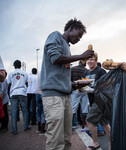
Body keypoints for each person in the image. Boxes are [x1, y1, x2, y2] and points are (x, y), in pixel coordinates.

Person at [40, 18, 94, 150]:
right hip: (53, 96)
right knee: (55, 138)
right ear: (71, 29)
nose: (79, 39)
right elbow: (55, 58)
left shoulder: (67, 47)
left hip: (66, 96)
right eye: (79, 35)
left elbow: (61, 74)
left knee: (66, 137)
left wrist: (75, 85)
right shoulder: (56, 36)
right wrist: (81, 56)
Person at [84, 53, 111, 150]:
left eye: (91, 59)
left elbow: (106, 86)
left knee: (89, 120)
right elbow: (84, 86)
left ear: (96, 60)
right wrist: (80, 88)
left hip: (100, 101)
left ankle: (95, 143)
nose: (89, 61)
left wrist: (92, 90)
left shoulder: (101, 71)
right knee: (104, 124)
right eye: (88, 59)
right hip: (92, 100)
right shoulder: (86, 73)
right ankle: (112, 143)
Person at [7, 60, 30, 135]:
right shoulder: (25, 73)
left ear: (14, 66)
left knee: (14, 111)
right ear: (20, 65)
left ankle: (14, 130)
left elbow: (9, 84)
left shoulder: (10, 74)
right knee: (24, 110)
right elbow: (27, 83)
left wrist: (14, 87)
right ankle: (26, 126)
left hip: (13, 93)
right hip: (22, 93)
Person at [71, 61, 89, 130]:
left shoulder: (72, 69)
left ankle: (71, 125)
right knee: (84, 109)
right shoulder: (86, 70)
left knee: (73, 109)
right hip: (84, 90)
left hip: (75, 90)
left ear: (79, 63)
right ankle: (83, 125)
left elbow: (69, 79)